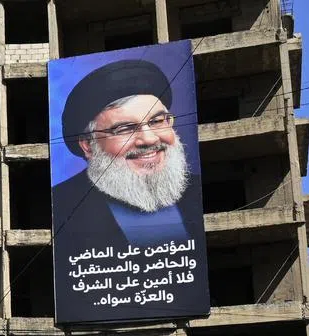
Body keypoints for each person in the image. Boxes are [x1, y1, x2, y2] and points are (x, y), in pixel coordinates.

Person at [53, 58, 203, 254]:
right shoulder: (60, 206)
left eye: (157, 121)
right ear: (88, 145)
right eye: (125, 129)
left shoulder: (199, 190)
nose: (149, 139)